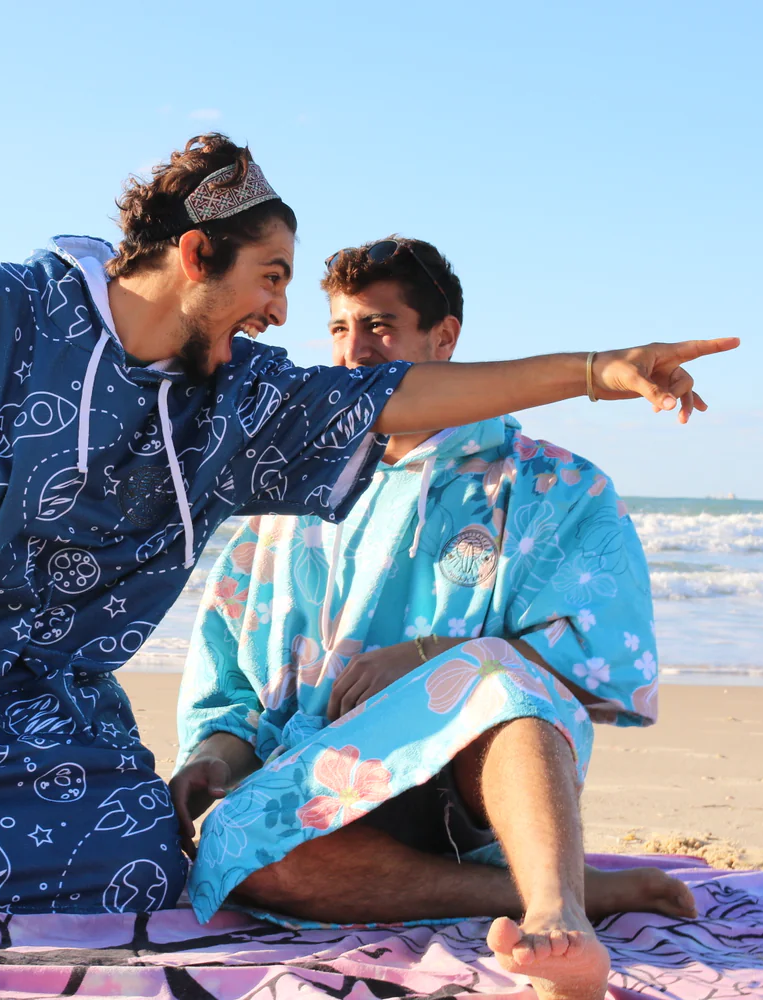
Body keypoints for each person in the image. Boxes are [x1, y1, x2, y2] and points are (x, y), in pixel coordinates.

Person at [0, 134, 735, 922]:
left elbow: (396, 398)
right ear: (195, 254)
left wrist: (598, 371)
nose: (280, 311)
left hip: (43, 690)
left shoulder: (237, 397)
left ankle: (544, 896)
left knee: (137, 863)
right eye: (271, 276)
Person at [172, 236, 698, 1000]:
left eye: (379, 326)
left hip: (483, 789)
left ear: (443, 337)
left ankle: (559, 916)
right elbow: (235, 686)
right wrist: (215, 758)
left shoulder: (553, 485)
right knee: (237, 852)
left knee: (500, 685)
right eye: (341, 327)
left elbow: (601, 660)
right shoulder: (288, 496)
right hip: (333, 791)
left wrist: (433, 657)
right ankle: (579, 895)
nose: (354, 351)